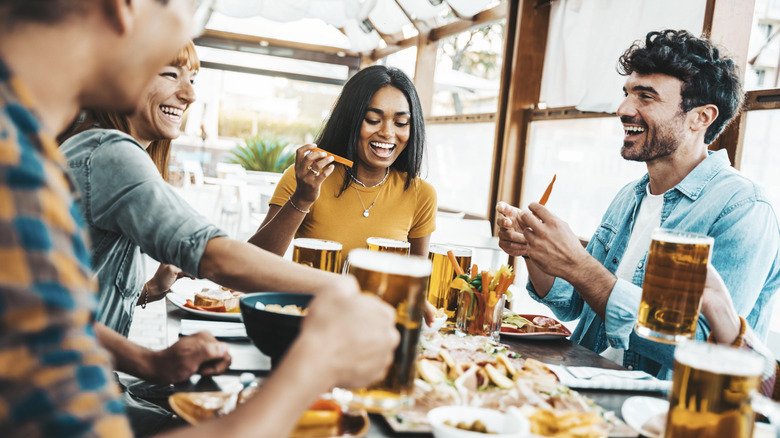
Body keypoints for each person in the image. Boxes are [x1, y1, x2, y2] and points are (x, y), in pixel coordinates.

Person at [0, 2, 399, 437]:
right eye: (193, 11)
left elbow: (56, 319)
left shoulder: (32, 152)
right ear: (128, 8)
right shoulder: (44, 166)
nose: (190, 95)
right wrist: (316, 360)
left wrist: (147, 360)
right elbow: (215, 256)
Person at [496, 29, 780, 379]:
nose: (623, 110)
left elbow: (706, 348)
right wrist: (534, 251)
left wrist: (579, 264)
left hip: (656, 414)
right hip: (578, 385)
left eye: (646, 97)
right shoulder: (630, 196)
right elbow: (572, 303)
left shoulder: (743, 209)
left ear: (701, 118)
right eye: (627, 94)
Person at [248, 65, 437, 258]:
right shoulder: (308, 179)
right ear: (349, 120)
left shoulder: (420, 195)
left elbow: (418, 280)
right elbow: (251, 264)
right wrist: (302, 199)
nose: (388, 133)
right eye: (372, 119)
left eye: (401, 123)